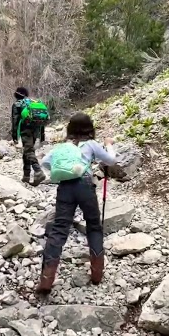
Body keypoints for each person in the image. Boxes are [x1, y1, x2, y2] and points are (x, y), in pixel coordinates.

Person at [35, 112, 118, 295]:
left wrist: (65, 169)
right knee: (94, 227)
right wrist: (109, 145)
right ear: (90, 129)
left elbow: (46, 163)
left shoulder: (62, 147)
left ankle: (46, 280)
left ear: (70, 129)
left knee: (59, 229)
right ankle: (97, 274)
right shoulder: (91, 144)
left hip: (65, 187)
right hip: (85, 185)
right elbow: (111, 160)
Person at [10, 86, 48, 185]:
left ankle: (38, 171)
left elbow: (15, 120)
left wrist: (14, 136)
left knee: (28, 150)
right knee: (28, 150)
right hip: (36, 129)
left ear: (17, 95)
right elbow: (41, 120)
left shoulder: (17, 104)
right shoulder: (33, 103)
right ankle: (26, 176)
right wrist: (42, 136)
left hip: (25, 130)